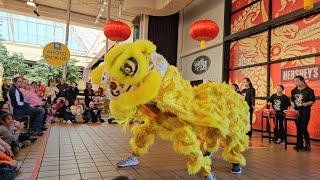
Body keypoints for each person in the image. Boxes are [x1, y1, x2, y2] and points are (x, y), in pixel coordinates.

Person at [291, 76, 315, 151]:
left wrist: (307, 103)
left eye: (297, 81)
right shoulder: (294, 91)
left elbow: (313, 101)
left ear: (302, 81)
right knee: (298, 127)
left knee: (303, 127)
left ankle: (307, 144)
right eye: (294, 81)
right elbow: (292, 100)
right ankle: (299, 144)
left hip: (305, 110)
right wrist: (292, 104)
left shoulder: (309, 90)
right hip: (296, 111)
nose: (296, 83)